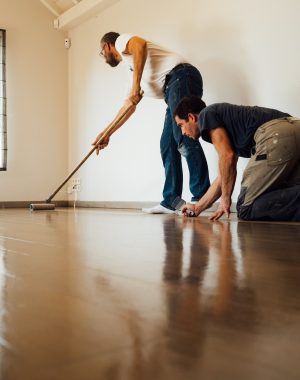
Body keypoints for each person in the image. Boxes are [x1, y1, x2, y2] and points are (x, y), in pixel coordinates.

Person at [94, 32, 210, 214]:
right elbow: (128, 107)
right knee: (167, 144)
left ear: (108, 46)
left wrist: (135, 86)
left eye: (102, 53)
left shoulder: (121, 41)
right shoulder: (131, 68)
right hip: (174, 87)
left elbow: (140, 44)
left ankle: (202, 196)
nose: (104, 58)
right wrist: (107, 133)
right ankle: (172, 201)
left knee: (183, 134)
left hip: (182, 77)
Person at [174, 96, 300, 221]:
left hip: (277, 134)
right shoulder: (230, 121)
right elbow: (224, 175)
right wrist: (197, 207)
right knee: (286, 189)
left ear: (191, 117)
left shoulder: (206, 115)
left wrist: (225, 199)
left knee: (245, 207)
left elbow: (227, 157)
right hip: (294, 127)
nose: (183, 132)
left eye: (181, 125)